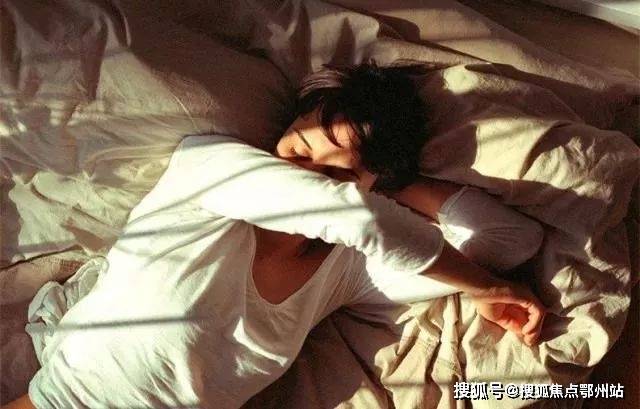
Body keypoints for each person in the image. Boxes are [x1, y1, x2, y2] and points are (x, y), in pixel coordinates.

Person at [4, 61, 546, 409]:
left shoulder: (346, 270)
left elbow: (509, 238)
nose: (305, 180)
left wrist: (398, 186)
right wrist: (484, 286)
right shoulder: (211, 171)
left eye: (337, 175)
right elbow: (357, 218)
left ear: (374, 186)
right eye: (298, 152)